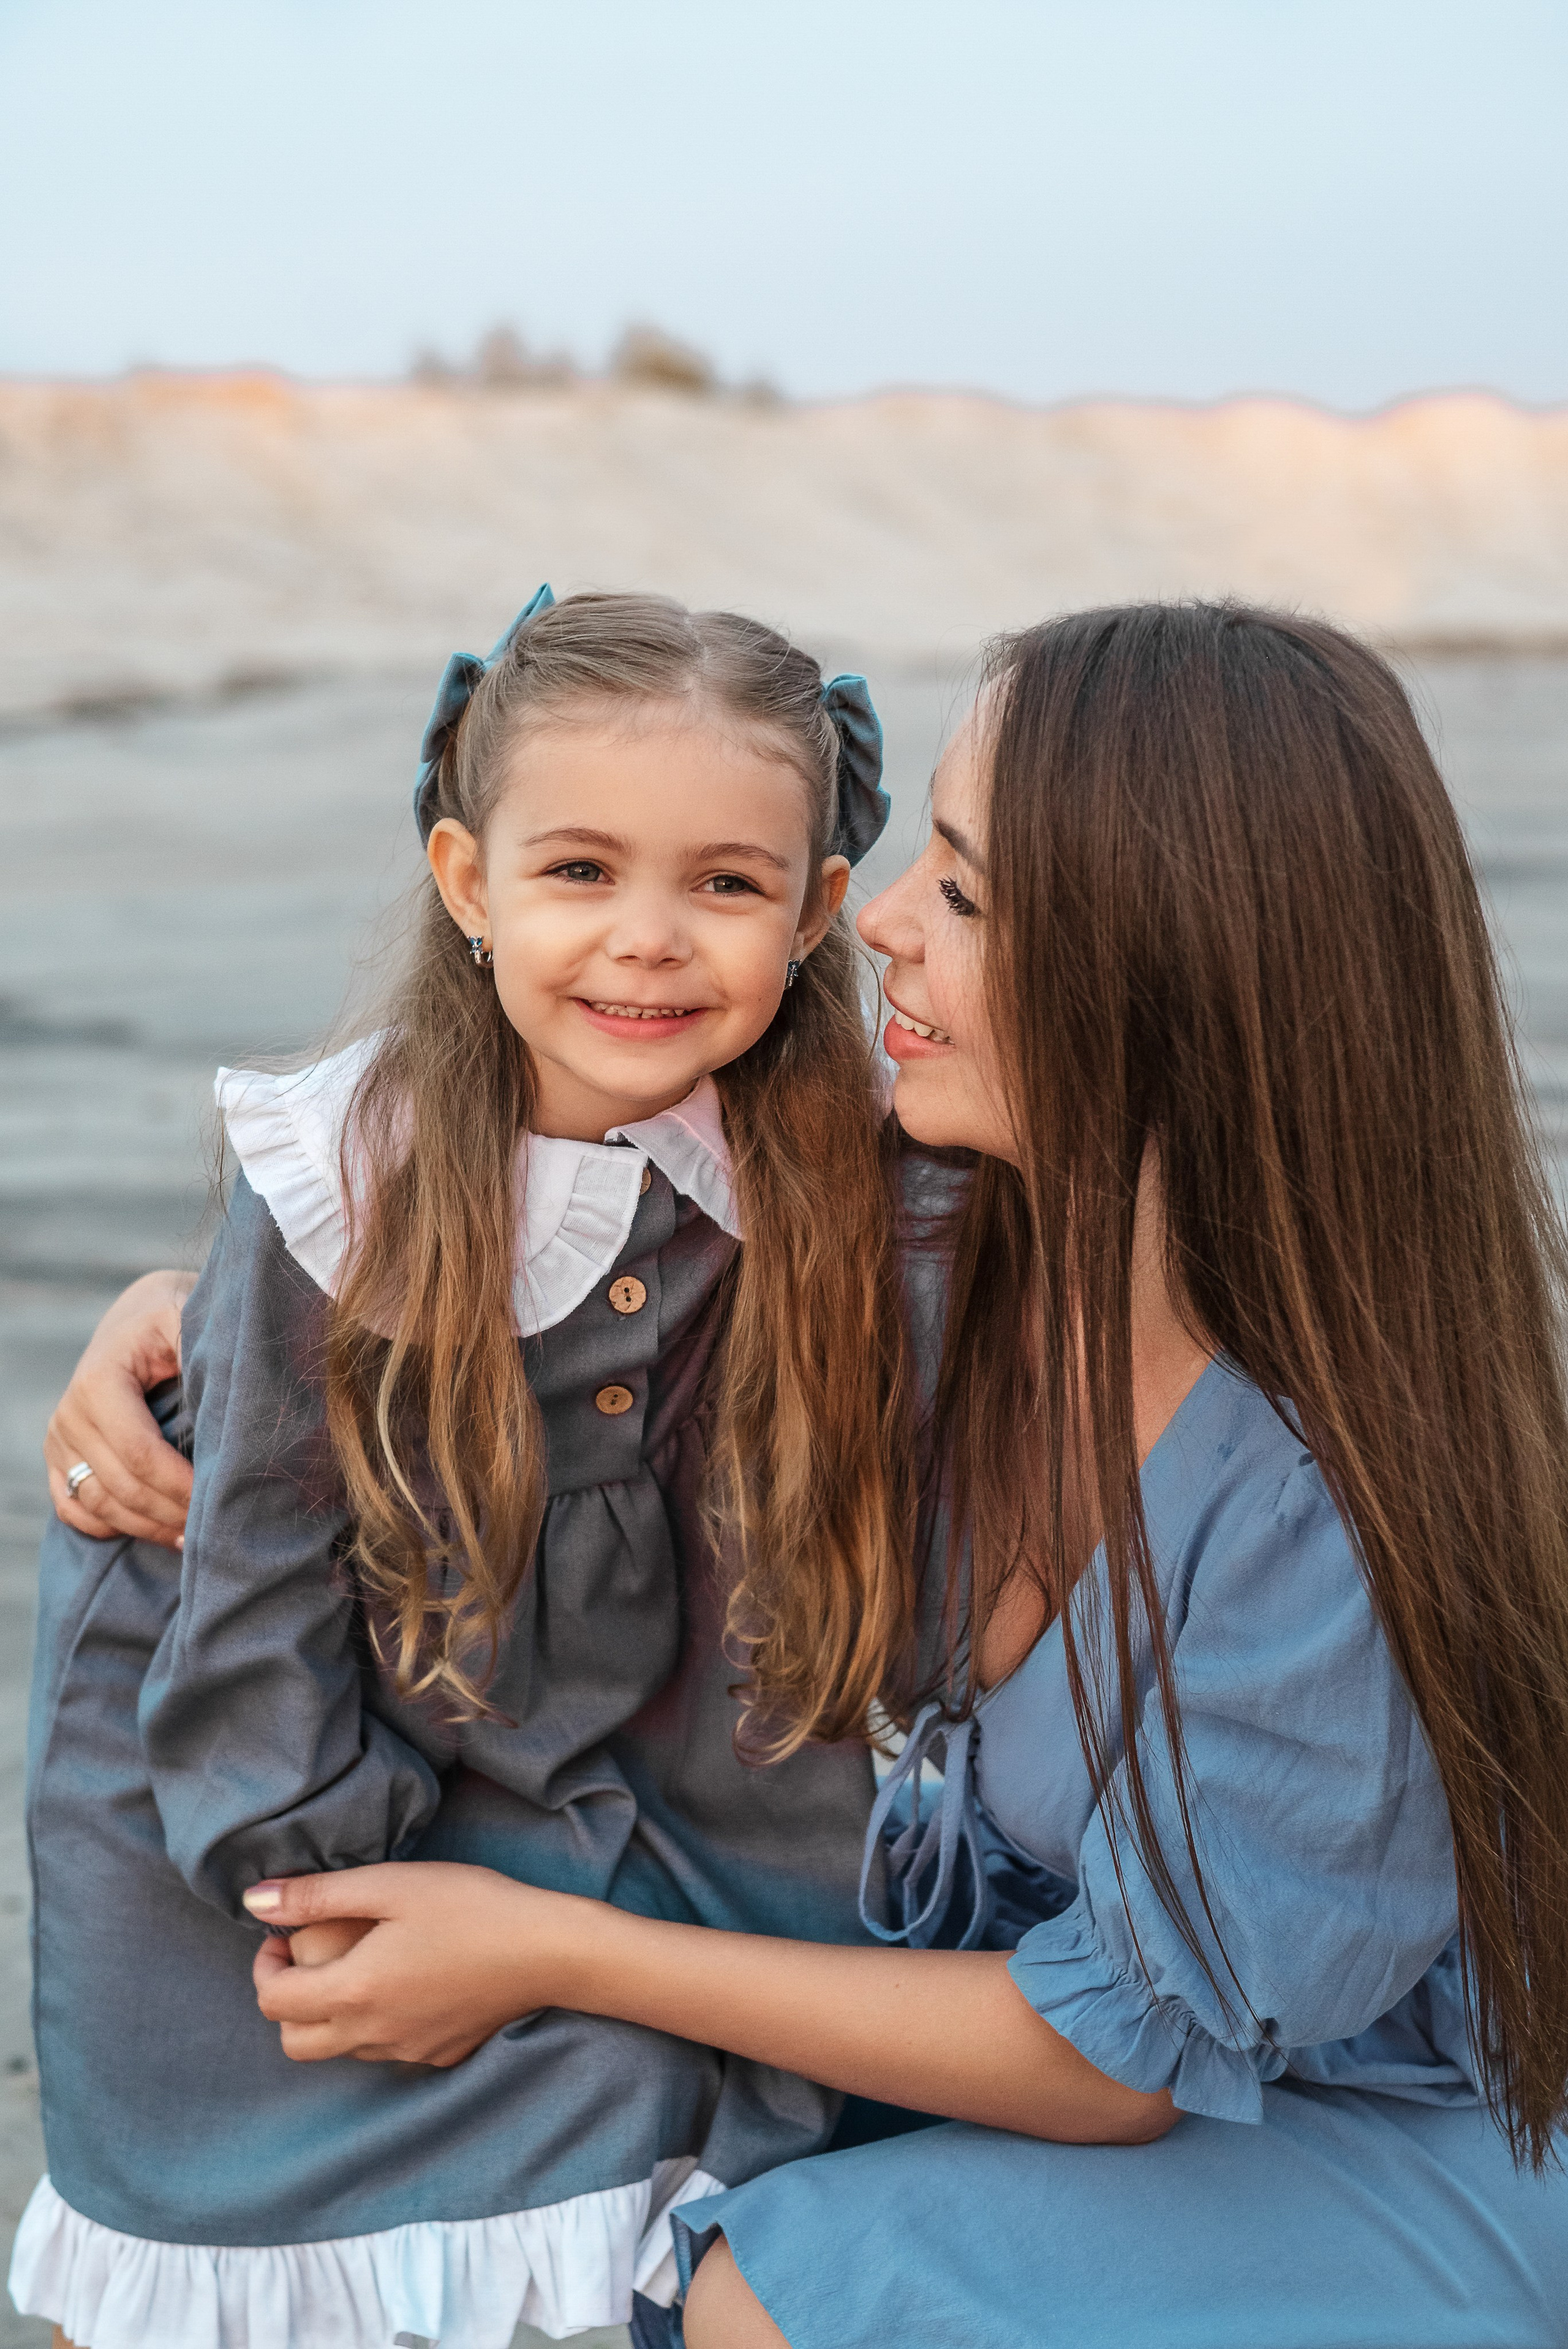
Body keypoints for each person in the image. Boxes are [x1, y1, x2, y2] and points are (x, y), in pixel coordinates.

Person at [229, 604, 1568, 2346]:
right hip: (1047, 2075)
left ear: (1161, 973)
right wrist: (178, 1320)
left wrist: (546, 1946)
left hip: (1374, 2144)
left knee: (766, 2288)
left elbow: (1116, 2062)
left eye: (963, 889)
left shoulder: (1322, 1487)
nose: (872, 919)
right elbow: (561, 1248)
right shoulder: (936, 1237)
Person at [14, 589, 932, 2349]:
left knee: (696, 2100)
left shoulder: (826, 1162)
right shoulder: (348, 1178)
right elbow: (262, 1572)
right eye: (579, 873)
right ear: (466, 880)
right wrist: (312, 1877)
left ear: (818, 911)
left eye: (725, 885)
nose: (649, 942)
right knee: (228, 2191)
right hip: (271, 1731)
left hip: (610, 1741)